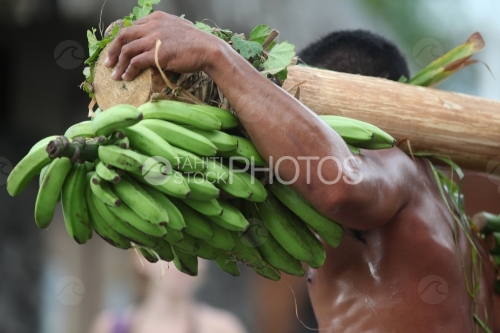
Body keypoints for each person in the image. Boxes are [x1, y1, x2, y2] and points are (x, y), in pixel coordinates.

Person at [103, 12, 499, 332]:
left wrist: (217, 56)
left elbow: (339, 186)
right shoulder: (444, 205)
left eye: (297, 118)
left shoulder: (397, 166)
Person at [90, 255, 248, 333]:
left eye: (194, 250)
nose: (182, 263)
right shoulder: (110, 326)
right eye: (168, 252)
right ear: (141, 258)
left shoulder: (223, 329)